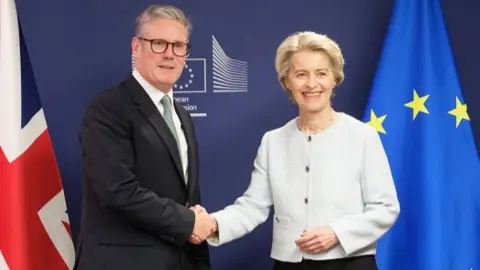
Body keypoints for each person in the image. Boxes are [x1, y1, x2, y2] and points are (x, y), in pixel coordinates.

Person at [197, 31, 400, 270]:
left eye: (321, 73)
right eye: (301, 74)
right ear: (287, 82)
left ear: (335, 79)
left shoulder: (362, 136)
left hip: (351, 263)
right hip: (289, 265)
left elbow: (386, 208)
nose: (312, 84)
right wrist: (213, 223)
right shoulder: (273, 141)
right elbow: (253, 207)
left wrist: (337, 232)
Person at [74, 4, 214, 270]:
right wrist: (188, 222)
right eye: (159, 43)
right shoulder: (108, 108)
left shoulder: (181, 114)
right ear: (136, 47)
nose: (170, 54)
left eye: (178, 46)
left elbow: (186, 195)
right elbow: (118, 190)